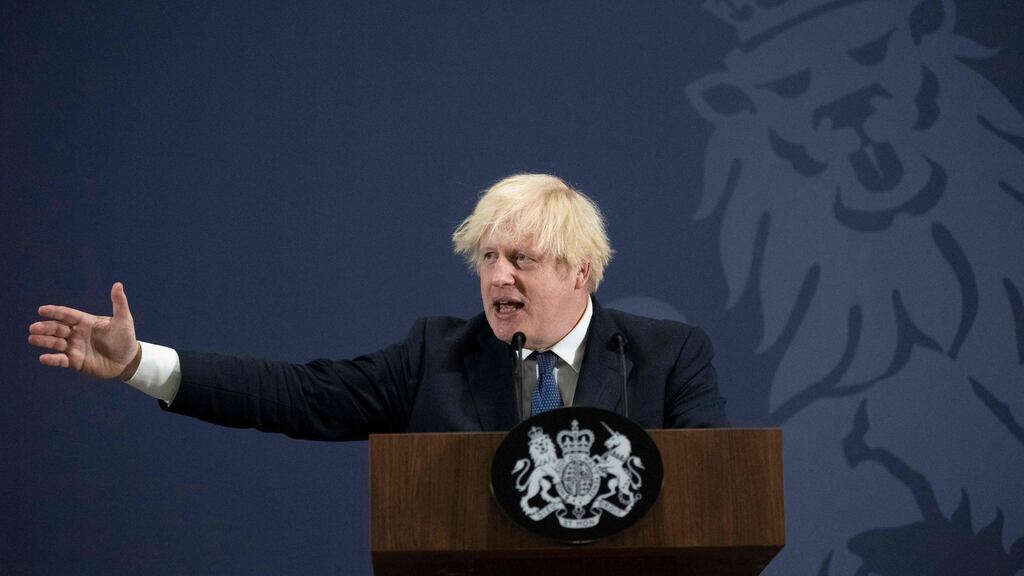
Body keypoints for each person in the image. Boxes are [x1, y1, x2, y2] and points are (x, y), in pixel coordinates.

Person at [28, 174, 728, 439]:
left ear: (582, 272)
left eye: (523, 259)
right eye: (488, 257)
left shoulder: (667, 358)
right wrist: (138, 365)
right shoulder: (438, 357)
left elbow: (710, 500)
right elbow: (301, 395)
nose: (498, 277)